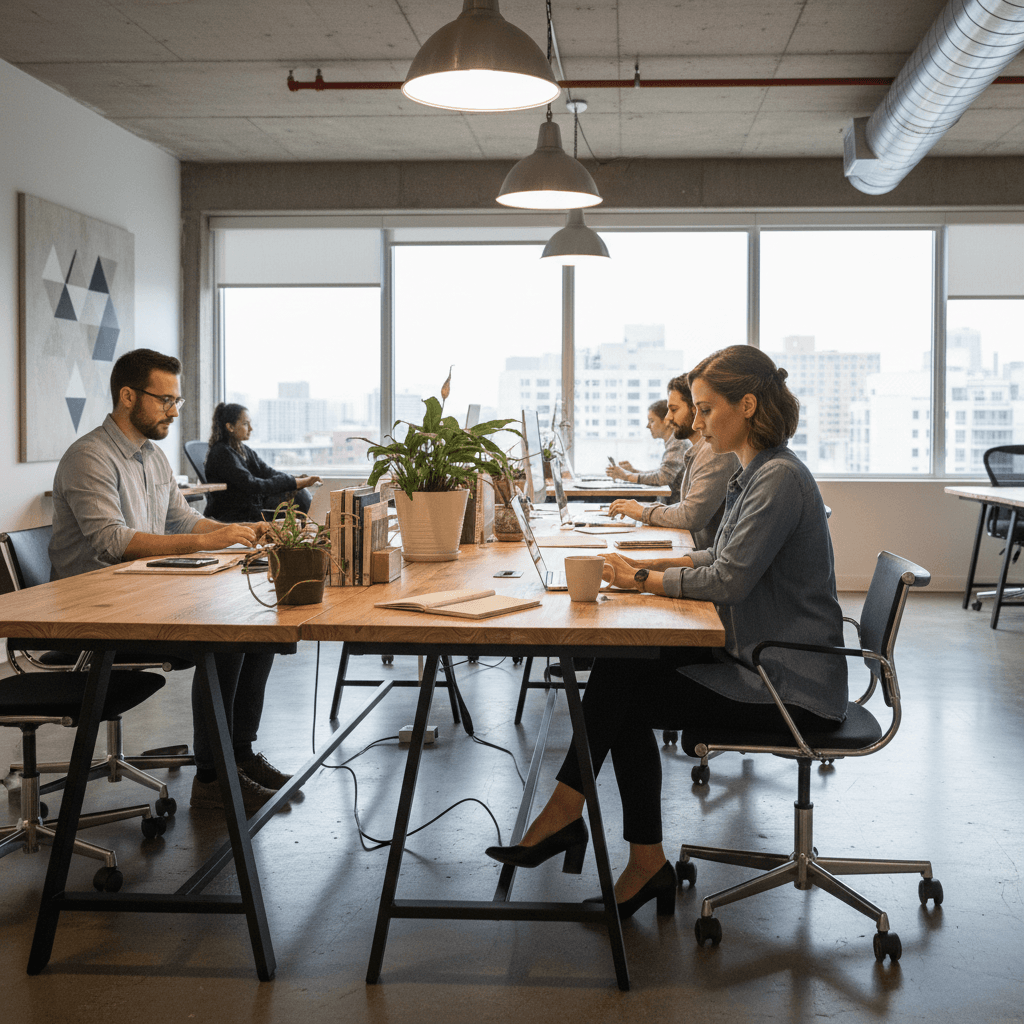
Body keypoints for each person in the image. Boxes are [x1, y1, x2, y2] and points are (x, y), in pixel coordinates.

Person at [486, 345, 847, 920]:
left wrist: (647, 578)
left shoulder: (777, 479)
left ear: (747, 405)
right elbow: (716, 554)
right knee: (623, 665)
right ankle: (591, 828)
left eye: (705, 410)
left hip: (791, 688)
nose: (695, 424)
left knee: (624, 693)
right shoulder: (757, 473)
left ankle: (588, 828)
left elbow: (726, 579)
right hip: (760, 664)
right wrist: (643, 571)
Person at [49, 348, 294, 816]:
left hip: (142, 596)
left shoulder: (153, 457)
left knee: (261, 630)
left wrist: (234, 534)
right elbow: (111, 542)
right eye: (165, 400)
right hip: (93, 614)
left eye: (176, 400)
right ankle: (213, 778)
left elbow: (180, 520)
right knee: (226, 638)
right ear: (127, 396)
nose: (175, 411)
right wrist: (207, 543)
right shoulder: (90, 458)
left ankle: (238, 755)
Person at [607, 374, 735, 550]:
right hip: (692, 547)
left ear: (695, 409)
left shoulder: (715, 452)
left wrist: (642, 511)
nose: (667, 418)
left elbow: (690, 515)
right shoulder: (699, 450)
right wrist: (643, 509)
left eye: (673, 410)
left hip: (699, 554)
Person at [203, 403, 321, 524]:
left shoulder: (243, 450)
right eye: (245, 424)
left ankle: (304, 533)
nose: (251, 428)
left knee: (300, 493)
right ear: (230, 427)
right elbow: (253, 486)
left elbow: (268, 472)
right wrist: (293, 482)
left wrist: (294, 480)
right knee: (299, 498)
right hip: (234, 514)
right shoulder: (222, 453)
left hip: (251, 509)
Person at [606, 399, 687, 502]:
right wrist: (634, 472)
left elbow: (662, 477)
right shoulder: (673, 443)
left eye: (652, 421)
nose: (647, 426)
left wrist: (626, 476)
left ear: (666, 421)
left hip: (674, 507)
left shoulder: (678, 444)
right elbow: (662, 472)